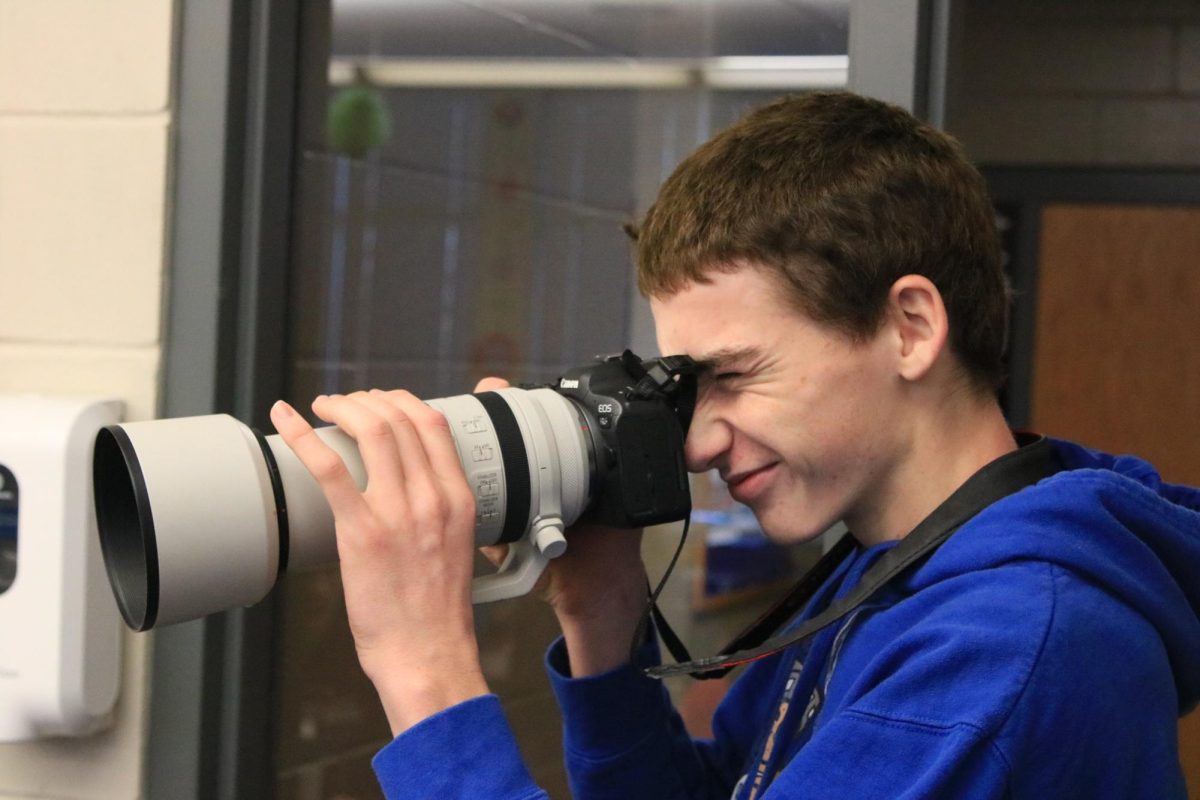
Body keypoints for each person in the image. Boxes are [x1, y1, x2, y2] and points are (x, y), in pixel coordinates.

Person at [269, 91, 1200, 798]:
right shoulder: (890, 574)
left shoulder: (1007, 652)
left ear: (910, 327)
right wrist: (603, 618)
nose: (701, 441)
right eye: (685, 387)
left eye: (736, 374)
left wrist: (423, 671)